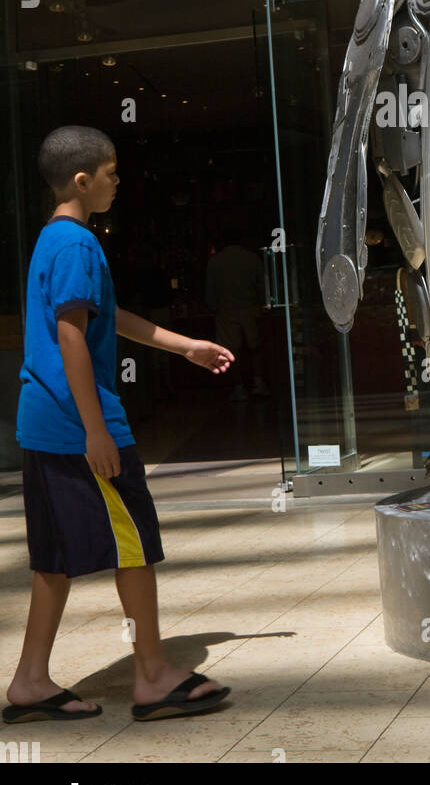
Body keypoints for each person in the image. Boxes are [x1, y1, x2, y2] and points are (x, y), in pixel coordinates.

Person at [3, 126, 235, 725]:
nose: (118, 182)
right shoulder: (78, 244)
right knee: (134, 548)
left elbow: (106, 315)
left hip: (42, 423)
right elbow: (71, 335)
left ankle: (29, 681)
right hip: (79, 426)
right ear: (82, 180)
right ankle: (154, 675)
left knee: (53, 560)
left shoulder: (54, 240)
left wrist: (184, 346)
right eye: (112, 173)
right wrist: (96, 431)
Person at [204, 224, 268, 403]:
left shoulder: (215, 262)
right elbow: (261, 285)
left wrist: (213, 306)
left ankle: (239, 387)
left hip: (227, 311)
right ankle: (258, 382)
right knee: (255, 348)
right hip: (250, 308)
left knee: (232, 352)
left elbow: (210, 291)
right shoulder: (251, 258)